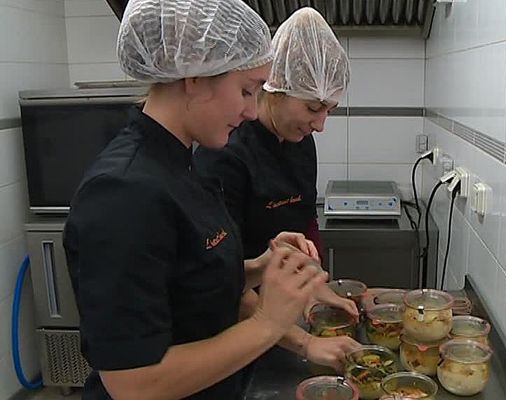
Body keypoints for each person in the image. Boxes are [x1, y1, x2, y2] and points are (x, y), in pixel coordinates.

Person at [62, 1, 357, 399]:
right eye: (247, 90)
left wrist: (261, 267)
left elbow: (193, 283)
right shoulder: (124, 192)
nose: (253, 111)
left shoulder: (180, 164)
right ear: (195, 79)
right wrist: (268, 323)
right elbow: (133, 384)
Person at [193, 7, 352, 318]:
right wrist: (289, 335)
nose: (320, 125)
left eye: (328, 111)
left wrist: (316, 285)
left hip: (283, 303)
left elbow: (306, 225)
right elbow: (217, 274)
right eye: (312, 108)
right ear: (276, 90)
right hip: (236, 311)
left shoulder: (300, 141)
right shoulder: (225, 154)